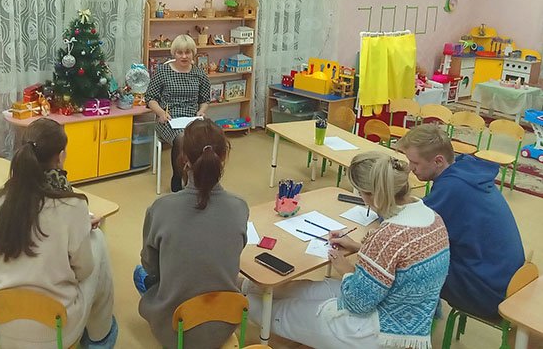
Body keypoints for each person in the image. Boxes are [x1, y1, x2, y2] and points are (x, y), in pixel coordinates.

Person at [244, 152, 450, 349]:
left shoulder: (388, 236)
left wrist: (345, 268)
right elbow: (402, 263)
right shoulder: (433, 218)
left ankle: (241, 299)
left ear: (374, 195)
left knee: (269, 309)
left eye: (361, 193)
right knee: (297, 289)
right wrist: (360, 248)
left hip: (380, 331)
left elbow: (358, 304)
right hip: (406, 315)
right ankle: (245, 288)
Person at [0, 118, 117, 349]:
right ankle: (101, 336)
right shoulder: (72, 206)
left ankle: (100, 334)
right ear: (60, 156)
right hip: (54, 329)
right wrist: (78, 231)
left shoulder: (1, 202)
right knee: (98, 241)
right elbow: (83, 269)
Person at [135, 118, 248, 348]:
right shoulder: (239, 206)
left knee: (140, 273)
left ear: (183, 158)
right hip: (225, 322)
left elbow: (151, 266)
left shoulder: (161, 208)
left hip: (176, 328)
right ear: (223, 157)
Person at [395, 124, 525, 320]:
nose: (411, 168)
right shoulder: (464, 169)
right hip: (503, 276)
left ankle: (410, 323)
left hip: (489, 292)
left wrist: (384, 207)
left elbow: (407, 226)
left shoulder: (454, 187)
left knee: (408, 259)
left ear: (438, 161)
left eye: (415, 163)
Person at [145, 33, 211, 192]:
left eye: (187, 52)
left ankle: (198, 177)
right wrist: (161, 113)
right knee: (182, 138)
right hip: (168, 118)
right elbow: (150, 98)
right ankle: (178, 177)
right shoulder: (163, 72)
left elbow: (205, 100)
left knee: (209, 136)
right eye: (180, 52)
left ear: (193, 53)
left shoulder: (199, 74)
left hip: (192, 118)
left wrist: (201, 111)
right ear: (174, 53)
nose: (184, 56)